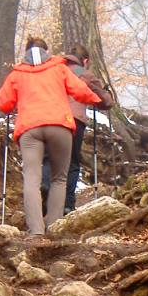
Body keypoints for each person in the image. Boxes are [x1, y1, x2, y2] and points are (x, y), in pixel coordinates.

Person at [0, 36, 103, 236]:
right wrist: (96, 99)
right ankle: (54, 228)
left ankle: (36, 232)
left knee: (31, 179)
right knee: (59, 178)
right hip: (59, 126)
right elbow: (81, 91)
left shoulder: (17, 73)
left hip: (29, 130)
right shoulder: (59, 68)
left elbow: (4, 103)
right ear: (47, 53)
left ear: (25, 53)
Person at [42, 44, 114, 214]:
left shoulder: (55, 70)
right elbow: (105, 102)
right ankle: (67, 204)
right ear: (86, 61)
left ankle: (45, 191)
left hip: (50, 118)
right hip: (74, 122)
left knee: (48, 159)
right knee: (72, 163)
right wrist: (107, 93)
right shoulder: (85, 75)